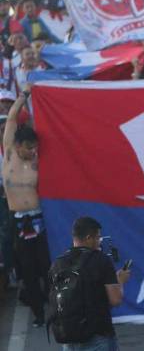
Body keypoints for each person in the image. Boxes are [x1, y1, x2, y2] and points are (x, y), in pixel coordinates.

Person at [2, 88, 49, 326]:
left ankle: (57, 308)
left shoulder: (37, 161)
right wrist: (24, 95)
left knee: (46, 266)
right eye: (29, 148)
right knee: (28, 271)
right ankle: (38, 313)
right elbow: (11, 118)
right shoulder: (9, 155)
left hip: (39, 218)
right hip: (18, 220)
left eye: (35, 148)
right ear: (18, 145)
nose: (32, 151)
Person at [49, 216, 131, 350]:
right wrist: (120, 281)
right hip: (98, 337)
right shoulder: (101, 260)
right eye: (98, 237)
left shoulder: (58, 263)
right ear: (88, 238)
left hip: (69, 338)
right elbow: (115, 300)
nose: (99, 241)